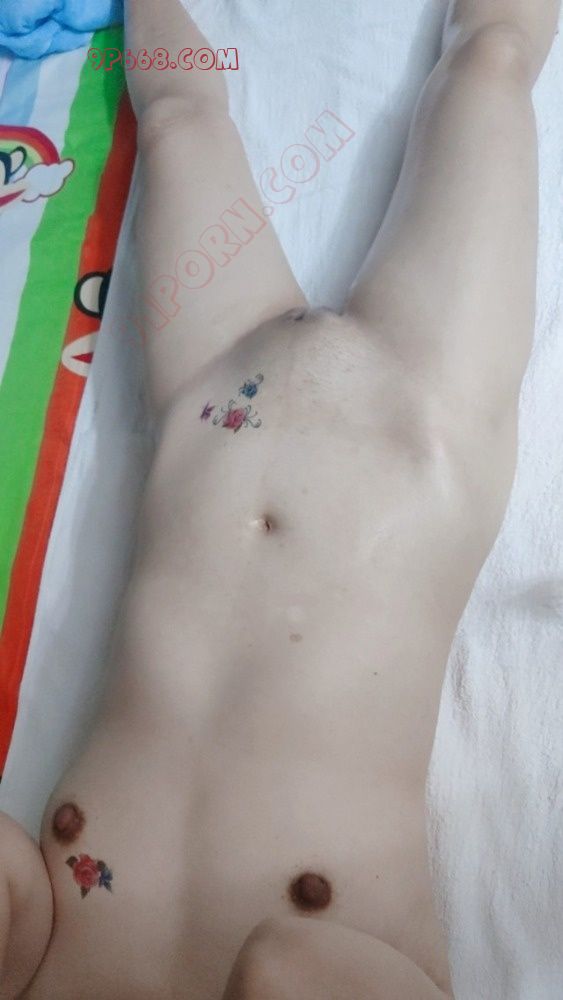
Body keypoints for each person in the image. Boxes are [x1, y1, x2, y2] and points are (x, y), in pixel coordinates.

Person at [1, 0, 560, 996]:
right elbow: (283, 963)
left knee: (177, 116)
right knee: (485, 70)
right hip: (417, 429)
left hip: (210, 410)